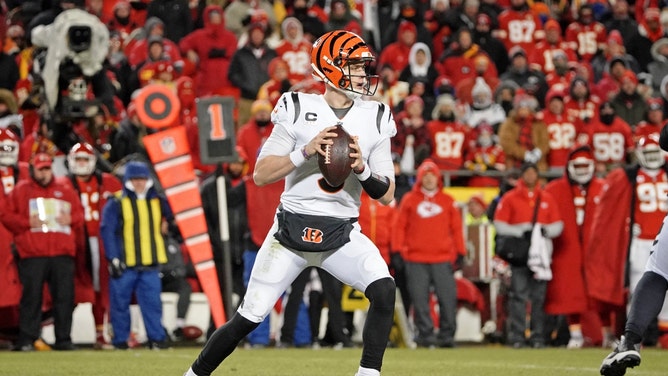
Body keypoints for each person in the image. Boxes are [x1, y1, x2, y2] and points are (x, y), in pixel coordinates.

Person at [185, 30, 397, 376]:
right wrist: (305, 151)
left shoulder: (376, 116)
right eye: (355, 66)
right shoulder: (298, 106)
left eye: (362, 67)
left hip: (341, 232)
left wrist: (361, 167)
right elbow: (261, 174)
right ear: (331, 68)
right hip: (290, 232)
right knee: (247, 318)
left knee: (384, 289)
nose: (362, 74)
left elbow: (387, 194)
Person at [599, 126, 668, 375]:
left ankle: (630, 340)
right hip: (641, 237)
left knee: (657, 274)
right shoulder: (632, 176)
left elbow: (665, 139)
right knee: (655, 271)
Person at [2, 152, 84, 351]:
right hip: (33, 254)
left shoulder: (65, 189)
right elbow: (5, 215)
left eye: (47, 168)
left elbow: (79, 214)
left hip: (62, 253)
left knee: (64, 298)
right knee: (31, 298)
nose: (44, 173)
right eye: (41, 169)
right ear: (33, 170)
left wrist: (70, 220)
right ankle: (27, 339)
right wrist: (26, 223)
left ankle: (64, 339)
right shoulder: (22, 190)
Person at [391, 159, 465, 348]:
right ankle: (426, 335)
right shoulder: (409, 199)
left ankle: (447, 336)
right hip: (415, 258)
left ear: (438, 178)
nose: (429, 179)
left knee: (448, 299)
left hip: (442, 258)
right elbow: (399, 227)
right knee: (419, 300)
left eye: (432, 176)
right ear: (420, 178)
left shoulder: (448, 201)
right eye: (426, 175)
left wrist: (461, 252)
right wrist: (397, 251)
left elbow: (457, 229)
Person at [100, 161, 173, 350]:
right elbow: (107, 230)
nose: (139, 183)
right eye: (135, 179)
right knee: (120, 304)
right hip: (125, 263)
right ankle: (120, 341)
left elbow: (173, 219)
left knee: (152, 304)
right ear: (128, 180)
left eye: (142, 178)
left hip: (150, 263)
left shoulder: (158, 200)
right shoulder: (116, 201)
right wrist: (113, 257)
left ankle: (156, 339)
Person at [493, 162, 563, 348]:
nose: (531, 176)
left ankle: (538, 336)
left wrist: (543, 231)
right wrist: (521, 230)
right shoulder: (510, 198)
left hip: (542, 257)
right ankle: (517, 336)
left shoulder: (547, 198)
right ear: (522, 175)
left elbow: (558, 225)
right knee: (519, 297)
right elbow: (499, 224)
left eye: (534, 173)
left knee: (539, 298)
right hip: (520, 255)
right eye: (528, 173)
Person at [543, 145, 605, 349]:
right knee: (570, 292)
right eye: (577, 166)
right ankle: (576, 334)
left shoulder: (603, 187)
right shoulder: (554, 190)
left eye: (584, 166)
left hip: (597, 248)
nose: (581, 170)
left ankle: (607, 333)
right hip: (566, 247)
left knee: (602, 292)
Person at [64, 142, 122, 350]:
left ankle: (103, 331)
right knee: (68, 291)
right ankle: (61, 335)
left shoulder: (109, 182)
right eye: (77, 159)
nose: (81, 164)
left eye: (84, 159)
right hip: (73, 243)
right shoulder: (62, 183)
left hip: (103, 242)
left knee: (104, 289)